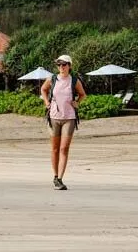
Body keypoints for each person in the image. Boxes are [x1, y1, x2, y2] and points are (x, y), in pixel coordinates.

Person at [41, 54, 86, 190]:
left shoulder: (74, 81)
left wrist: (77, 102)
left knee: (64, 148)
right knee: (55, 149)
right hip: (54, 117)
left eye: (64, 64)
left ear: (69, 66)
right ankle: (55, 176)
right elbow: (43, 89)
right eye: (59, 65)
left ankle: (60, 178)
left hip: (69, 118)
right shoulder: (52, 79)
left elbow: (83, 94)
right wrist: (46, 102)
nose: (61, 67)